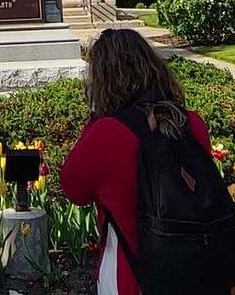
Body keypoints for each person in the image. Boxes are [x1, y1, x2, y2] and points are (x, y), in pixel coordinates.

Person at [60, 28, 213, 295]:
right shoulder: (192, 123)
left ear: (103, 80)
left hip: (131, 274)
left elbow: (74, 189)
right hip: (198, 271)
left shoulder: (108, 133)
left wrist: (94, 117)